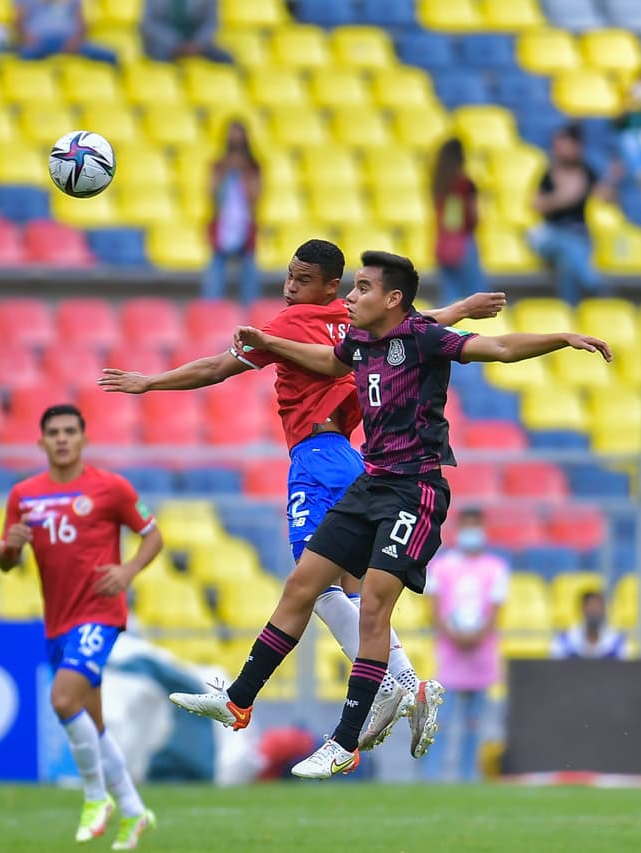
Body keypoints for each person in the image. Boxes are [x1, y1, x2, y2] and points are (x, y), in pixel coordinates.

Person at [168, 250, 611, 780]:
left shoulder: (422, 339)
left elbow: (497, 348)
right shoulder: (360, 342)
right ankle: (240, 701)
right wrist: (268, 343)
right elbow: (328, 361)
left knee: (373, 605)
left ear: (391, 299)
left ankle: (345, 741)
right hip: (370, 482)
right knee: (302, 585)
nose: (349, 299)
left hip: (415, 489)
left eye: (359, 289)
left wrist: (560, 337)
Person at [100, 239, 506, 757]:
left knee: (308, 578)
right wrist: (461, 310)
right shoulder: (357, 319)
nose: (290, 286)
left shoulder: (288, 326)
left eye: (301, 278)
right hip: (353, 458)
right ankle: (406, 683)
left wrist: (149, 383)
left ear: (329, 285)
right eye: (288, 276)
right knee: (347, 584)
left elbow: (215, 368)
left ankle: (391, 683)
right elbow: (414, 323)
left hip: (318, 458)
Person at [0, 404, 160, 848]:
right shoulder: (24, 496)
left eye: (71, 431)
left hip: (100, 613)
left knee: (63, 698)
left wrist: (126, 573)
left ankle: (94, 796)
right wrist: (9, 550)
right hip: (58, 622)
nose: (63, 439)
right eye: (54, 432)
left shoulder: (111, 488)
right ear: (42, 442)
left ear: (84, 439)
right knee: (91, 720)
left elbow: (153, 535)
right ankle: (132, 809)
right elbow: (5, 562)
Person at [420, 508, 508, 783]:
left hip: (480, 654)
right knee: (440, 720)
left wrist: (478, 635)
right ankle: (431, 776)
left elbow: (495, 610)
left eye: (476, 526)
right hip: (450, 652)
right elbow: (434, 608)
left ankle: (468, 776)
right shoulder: (441, 567)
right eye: (467, 526)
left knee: (474, 722)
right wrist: (453, 634)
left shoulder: (495, 568)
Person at [528, 123, 614, 306]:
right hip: (553, 232)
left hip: (579, 235)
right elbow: (536, 205)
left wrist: (612, 178)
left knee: (567, 263)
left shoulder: (587, 171)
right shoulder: (549, 171)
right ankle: (594, 283)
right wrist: (562, 198)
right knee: (566, 245)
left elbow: (606, 196)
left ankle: (569, 311)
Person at [203, 120, 261, 305]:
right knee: (215, 272)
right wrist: (227, 170)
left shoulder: (252, 167)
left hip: (245, 224)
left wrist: (243, 172)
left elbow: (255, 196)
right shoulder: (219, 166)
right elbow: (211, 193)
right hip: (223, 224)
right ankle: (211, 310)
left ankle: (251, 311)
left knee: (248, 273)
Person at [431, 138, 485, 306]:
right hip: (463, 242)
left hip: (443, 242)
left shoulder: (439, 183)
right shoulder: (465, 184)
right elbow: (473, 215)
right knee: (476, 294)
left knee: (449, 296)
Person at [16, 0, 116, 64]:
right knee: (24, 57)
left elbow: (83, 23)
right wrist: (28, 38)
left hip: (69, 40)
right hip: (40, 40)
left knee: (110, 56)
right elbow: (18, 22)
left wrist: (75, 41)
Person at [140, 0, 233, 63]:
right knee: (157, 57)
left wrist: (197, 43)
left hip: (198, 44)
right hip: (166, 44)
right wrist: (176, 43)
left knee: (225, 59)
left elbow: (211, 23)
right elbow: (149, 24)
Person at [550, 590, 628, 660]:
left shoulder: (617, 642)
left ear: (604, 610)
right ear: (582, 609)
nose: (595, 611)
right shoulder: (564, 641)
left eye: (598, 607)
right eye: (591, 607)